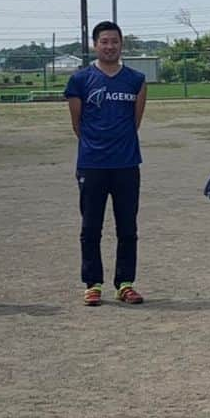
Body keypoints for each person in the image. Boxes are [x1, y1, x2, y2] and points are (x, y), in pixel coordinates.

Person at [65, 21, 147, 306]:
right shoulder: (80, 80)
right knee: (91, 227)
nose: (109, 46)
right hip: (92, 164)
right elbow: (78, 124)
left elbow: (134, 122)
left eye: (114, 41)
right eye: (104, 41)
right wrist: (97, 146)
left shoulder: (136, 80)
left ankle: (125, 283)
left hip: (126, 164)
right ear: (94, 45)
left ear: (121, 44)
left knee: (127, 227)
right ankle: (93, 284)